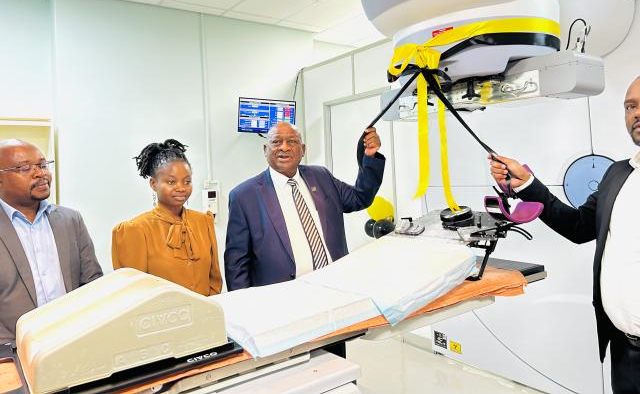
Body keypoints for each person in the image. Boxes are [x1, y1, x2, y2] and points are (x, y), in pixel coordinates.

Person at [488, 76, 640, 393]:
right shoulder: (618, 173)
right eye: (630, 106)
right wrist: (528, 183)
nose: (636, 113)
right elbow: (578, 226)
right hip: (625, 351)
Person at [224, 122, 385, 290]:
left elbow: (360, 197)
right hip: (281, 297)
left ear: (303, 149)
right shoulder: (244, 196)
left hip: (336, 285)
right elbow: (236, 263)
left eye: (292, 142)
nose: (284, 148)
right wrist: (243, 305)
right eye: (276, 142)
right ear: (265, 149)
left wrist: (370, 156)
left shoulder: (321, 176)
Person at [0, 139, 102, 346]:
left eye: (43, 165)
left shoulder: (71, 220)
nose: (40, 174)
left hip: (74, 343)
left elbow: (93, 284)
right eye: (25, 168)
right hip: (12, 353)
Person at [112, 139, 222, 296]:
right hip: (158, 318)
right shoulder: (134, 230)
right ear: (153, 183)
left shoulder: (203, 222)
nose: (181, 188)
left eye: (187, 181)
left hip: (203, 315)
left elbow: (214, 280)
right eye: (171, 182)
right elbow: (133, 294)